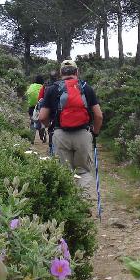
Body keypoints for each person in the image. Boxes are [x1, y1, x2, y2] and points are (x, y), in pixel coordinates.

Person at [38, 59, 103, 199]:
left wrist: (50, 126)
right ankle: (82, 201)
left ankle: (68, 203)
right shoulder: (86, 88)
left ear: (61, 72)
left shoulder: (52, 89)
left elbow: (42, 116)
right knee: (83, 171)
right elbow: (98, 116)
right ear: (77, 72)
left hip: (60, 134)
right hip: (83, 134)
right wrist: (95, 133)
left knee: (64, 172)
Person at [25, 75, 46, 143]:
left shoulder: (31, 86)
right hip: (41, 107)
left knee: (32, 122)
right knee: (41, 123)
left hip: (31, 107)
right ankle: (42, 137)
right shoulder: (43, 87)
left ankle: (31, 138)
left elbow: (27, 94)